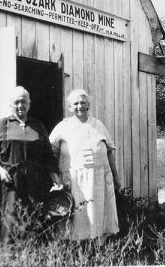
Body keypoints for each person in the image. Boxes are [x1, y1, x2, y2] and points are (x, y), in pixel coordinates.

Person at [49, 89, 120, 243]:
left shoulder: (98, 124)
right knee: (79, 215)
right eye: (75, 103)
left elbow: (109, 152)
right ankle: (78, 248)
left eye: (83, 102)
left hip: (99, 178)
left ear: (88, 105)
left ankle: (99, 246)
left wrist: (115, 176)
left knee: (98, 214)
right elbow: (50, 153)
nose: (79, 106)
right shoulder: (63, 126)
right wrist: (55, 178)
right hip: (75, 180)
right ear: (69, 107)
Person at [0, 86, 61, 243]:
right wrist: (0, 170)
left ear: (29, 103)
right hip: (10, 180)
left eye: (24, 102)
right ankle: (9, 256)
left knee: (34, 215)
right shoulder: (2, 124)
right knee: (10, 216)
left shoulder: (38, 126)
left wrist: (55, 178)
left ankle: (33, 253)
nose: (20, 106)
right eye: (17, 102)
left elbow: (48, 155)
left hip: (35, 180)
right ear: (11, 104)